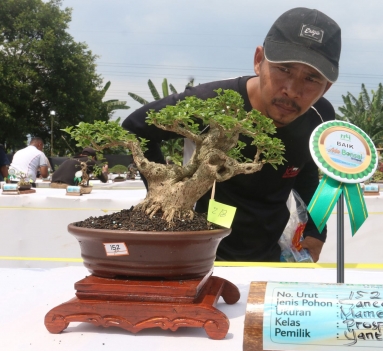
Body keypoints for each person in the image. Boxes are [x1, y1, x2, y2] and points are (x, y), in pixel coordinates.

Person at [122, 8, 341, 262]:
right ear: (259, 60)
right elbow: (136, 127)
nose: (292, 90)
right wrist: (163, 194)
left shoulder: (319, 117)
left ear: (327, 87)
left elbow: (308, 171)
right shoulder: (211, 104)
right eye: (284, 69)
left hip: (270, 254)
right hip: (198, 253)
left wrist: (317, 233)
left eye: (312, 78)